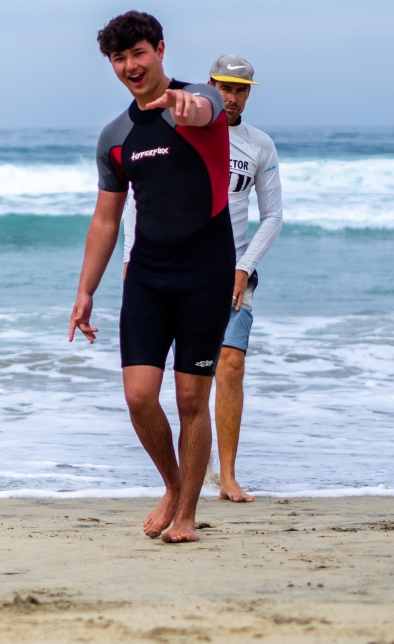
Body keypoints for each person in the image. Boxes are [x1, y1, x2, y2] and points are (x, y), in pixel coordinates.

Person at [69, 11, 230, 543]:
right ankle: (173, 485)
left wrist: (186, 107)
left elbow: (205, 109)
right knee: (139, 397)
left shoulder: (200, 99)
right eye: (119, 58)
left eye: (138, 53)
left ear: (160, 49)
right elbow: (106, 219)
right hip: (147, 276)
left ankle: (186, 516)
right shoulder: (115, 137)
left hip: (206, 272)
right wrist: (85, 291)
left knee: (191, 400)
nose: (130, 66)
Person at [122, 54, 283, 503]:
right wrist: (130, 259)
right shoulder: (181, 131)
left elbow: (272, 216)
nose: (231, 97)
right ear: (210, 85)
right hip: (174, 271)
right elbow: (139, 200)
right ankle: (182, 479)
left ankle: (227, 476)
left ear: (249, 95)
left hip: (233, 271)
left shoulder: (259, 145)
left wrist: (243, 267)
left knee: (231, 364)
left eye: (240, 90)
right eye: (224, 87)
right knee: (182, 387)